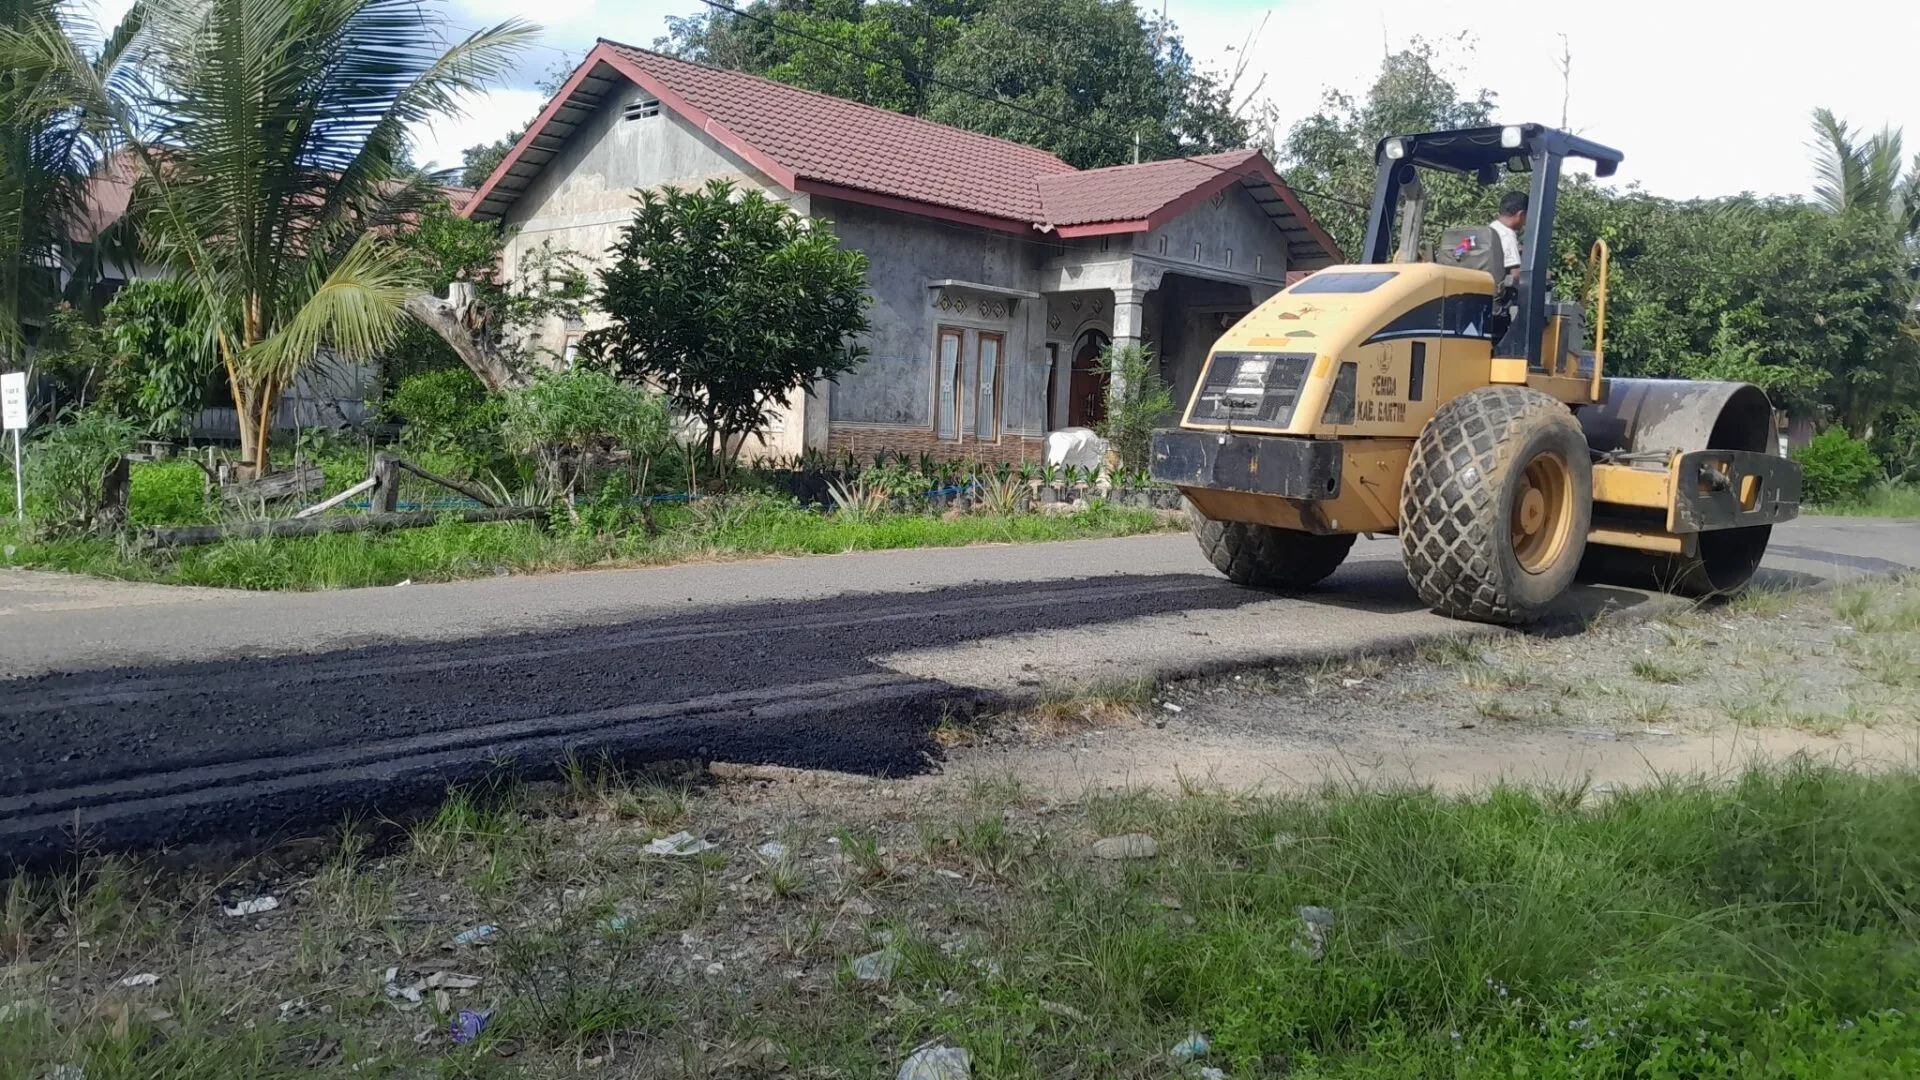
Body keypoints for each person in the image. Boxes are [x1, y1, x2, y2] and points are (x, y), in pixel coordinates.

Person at [1490, 191, 1528, 284]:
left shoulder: (1491, 228)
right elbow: (1515, 274)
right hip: (1499, 290)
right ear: (1521, 214)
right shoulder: (1507, 234)